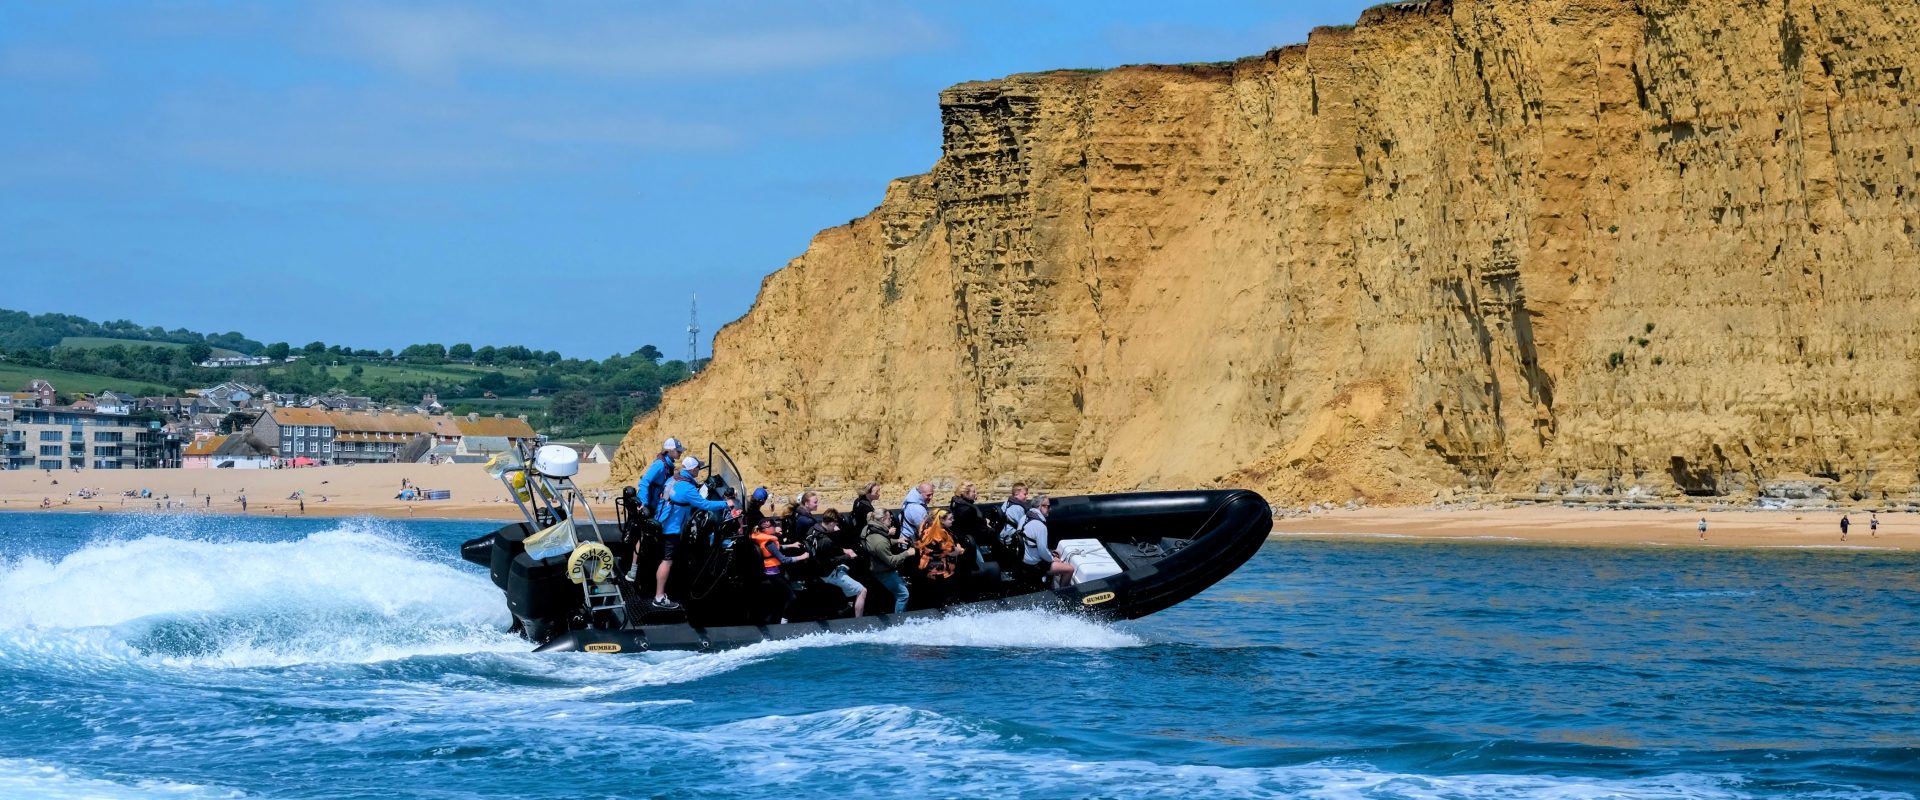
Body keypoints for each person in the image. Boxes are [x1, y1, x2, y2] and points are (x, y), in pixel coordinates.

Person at [652, 455, 733, 610]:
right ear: (692, 469)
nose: (699, 469)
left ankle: (672, 588)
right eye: (698, 467)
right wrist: (726, 503)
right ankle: (659, 597)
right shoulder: (687, 487)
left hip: (663, 523)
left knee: (672, 558)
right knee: (667, 561)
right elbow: (704, 504)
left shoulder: (674, 479)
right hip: (672, 529)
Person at [750, 517, 810, 624]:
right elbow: (783, 560)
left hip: (768, 572)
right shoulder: (769, 542)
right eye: (773, 525)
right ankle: (784, 620)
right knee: (792, 597)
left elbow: (777, 548)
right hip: (774, 574)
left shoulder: (763, 539)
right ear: (765, 530)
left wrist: (792, 545)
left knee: (780, 596)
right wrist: (802, 557)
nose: (775, 527)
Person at [808, 511, 868, 617]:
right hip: (828, 573)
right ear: (831, 523)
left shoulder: (813, 529)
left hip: (814, 567)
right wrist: (848, 556)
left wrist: (843, 550)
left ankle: (846, 601)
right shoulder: (826, 541)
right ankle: (859, 620)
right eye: (836, 524)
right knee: (862, 590)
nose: (836, 527)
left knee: (848, 568)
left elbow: (825, 551)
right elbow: (831, 561)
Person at [863, 509, 917, 613]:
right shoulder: (880, 541)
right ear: (883, 519)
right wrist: (907, 553)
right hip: (882, 571)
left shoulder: (869, 528)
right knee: (903, 594)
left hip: (874, 564)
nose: (891, 520)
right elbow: (891, 560)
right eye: (889, 518)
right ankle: (899, 620)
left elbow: (880, 543)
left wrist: (897, 541)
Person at [1020, 495, 1075, 589]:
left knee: (1055, 553)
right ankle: (1063, 596)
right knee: (1069, 569)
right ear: (1041, 506)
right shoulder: (1040, 526)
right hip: (1034, 565)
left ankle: (1050, 583)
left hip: (1023, 558)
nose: (1050, 509)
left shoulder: (1024, 518)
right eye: (1048, 506)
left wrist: (1051, 554)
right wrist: (1053, 559)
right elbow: (1042, 551)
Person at [636, 437, 686, 516]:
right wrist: (643, 504)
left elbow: (667, 488)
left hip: (657, 506)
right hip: (649, 506)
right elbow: (644, 482)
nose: (681, 453)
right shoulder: (660, 464)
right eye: (678, 451)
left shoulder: (669, 465)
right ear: (670, 450)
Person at [948, 482, 989, 573]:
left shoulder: (956, 503)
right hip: (967, 541)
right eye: (973, 492)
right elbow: (974, 526)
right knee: (980, 566)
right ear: (966, 493)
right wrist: (987, 526)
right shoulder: (966, 509)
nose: (976, 494)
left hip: (961, 538)